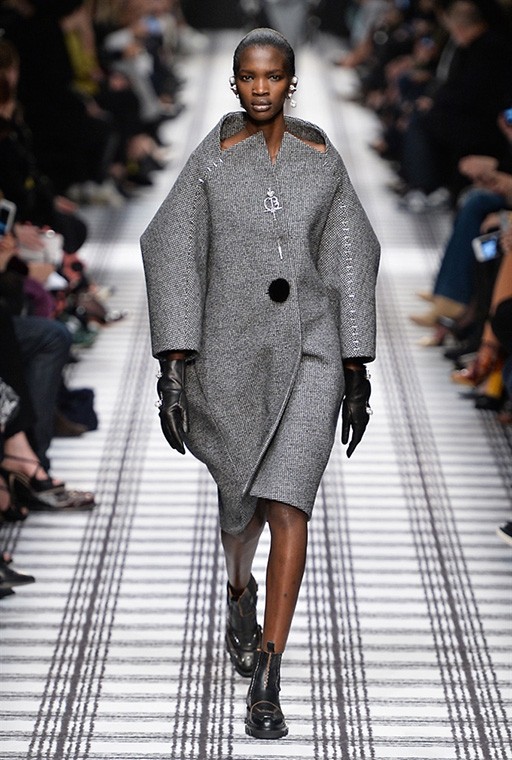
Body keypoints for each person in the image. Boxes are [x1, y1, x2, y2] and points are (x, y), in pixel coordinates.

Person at [140, 27, 380, 740]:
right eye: (249, 76)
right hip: (232, 353)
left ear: (291, 81)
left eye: (273, 76)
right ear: (235, 82)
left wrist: (356, 366)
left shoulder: (321, 161)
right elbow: (171, 246)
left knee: (289, 507)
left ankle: (268, 675)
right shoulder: (213, 161)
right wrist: (173, 366)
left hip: (311, 352)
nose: (261, 87)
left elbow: (352, 252)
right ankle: (238, 591)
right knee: (240, 511)